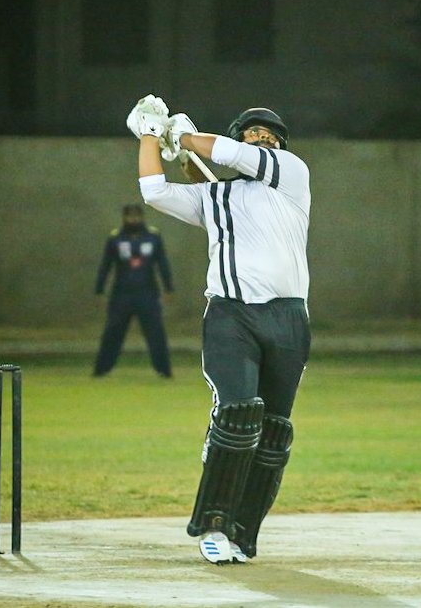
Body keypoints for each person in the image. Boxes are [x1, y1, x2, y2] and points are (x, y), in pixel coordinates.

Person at [127, 96, 311, 565]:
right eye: (252, 132)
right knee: (238, 416)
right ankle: (214, 525)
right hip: (231, 317)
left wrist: (183, 138)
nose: (262, 138)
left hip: (289, 318)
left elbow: (229, 154)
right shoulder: (215, 197)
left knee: (273, 432)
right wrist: (150, 135)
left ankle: (243, 533)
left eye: (269, 136)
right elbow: (153, 191)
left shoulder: (292, 175)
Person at [93, 202, 174, 378]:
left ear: (142, 217)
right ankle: (101, 369)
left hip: (148, 293)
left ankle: (164, 370)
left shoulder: (153, 237)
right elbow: (105, 265)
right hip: (121, 294)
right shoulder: (115, 238)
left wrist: (169, 288)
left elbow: (163, 263)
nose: (134, 220)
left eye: (137, 216)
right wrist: (99, 290)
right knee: (113, 332)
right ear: (125, 218)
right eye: (130, 216)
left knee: (156, 333)